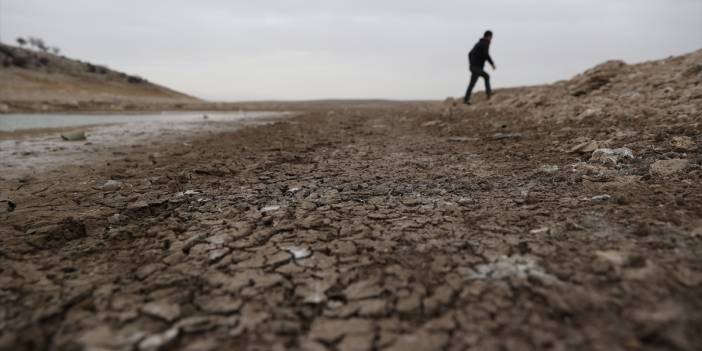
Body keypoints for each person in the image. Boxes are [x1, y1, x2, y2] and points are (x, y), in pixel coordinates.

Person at [464, 30, 496, 105]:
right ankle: (489, 94)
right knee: (486, 76)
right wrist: (492, 64)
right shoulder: (485, 43)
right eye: (491, 37)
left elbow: (469, 54)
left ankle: (466, 99)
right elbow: (486, 55)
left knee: (472, 84)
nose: (491, 39)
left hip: (474, 67)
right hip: (476, 67)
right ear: (488, 36)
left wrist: (471, 64)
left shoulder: (479, 43)